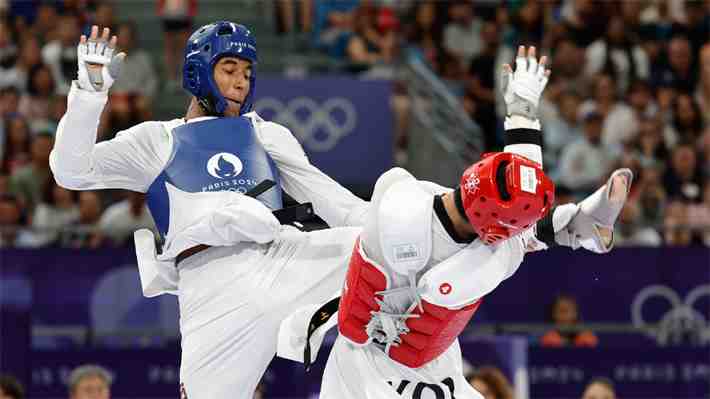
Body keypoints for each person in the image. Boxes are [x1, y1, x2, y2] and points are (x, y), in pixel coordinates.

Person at [278, 46, 632, 399]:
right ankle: (574, 228)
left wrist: (522, 112)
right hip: (380, 364)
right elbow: (515, 233)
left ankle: (576, 226)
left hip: (425, 354)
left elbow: (514, 190)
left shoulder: (421, 191)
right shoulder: (478, 265)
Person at [49, 22, 367, 399]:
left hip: (283, 258)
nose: (241, 82)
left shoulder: (267, 133)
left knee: (398, 242)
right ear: (198, 72)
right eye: (230, 69)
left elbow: (338, 204)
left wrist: (394, 223)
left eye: (248, 73)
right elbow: (71, 170)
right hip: (211, 285)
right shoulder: (156, 141)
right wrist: (90, 93)